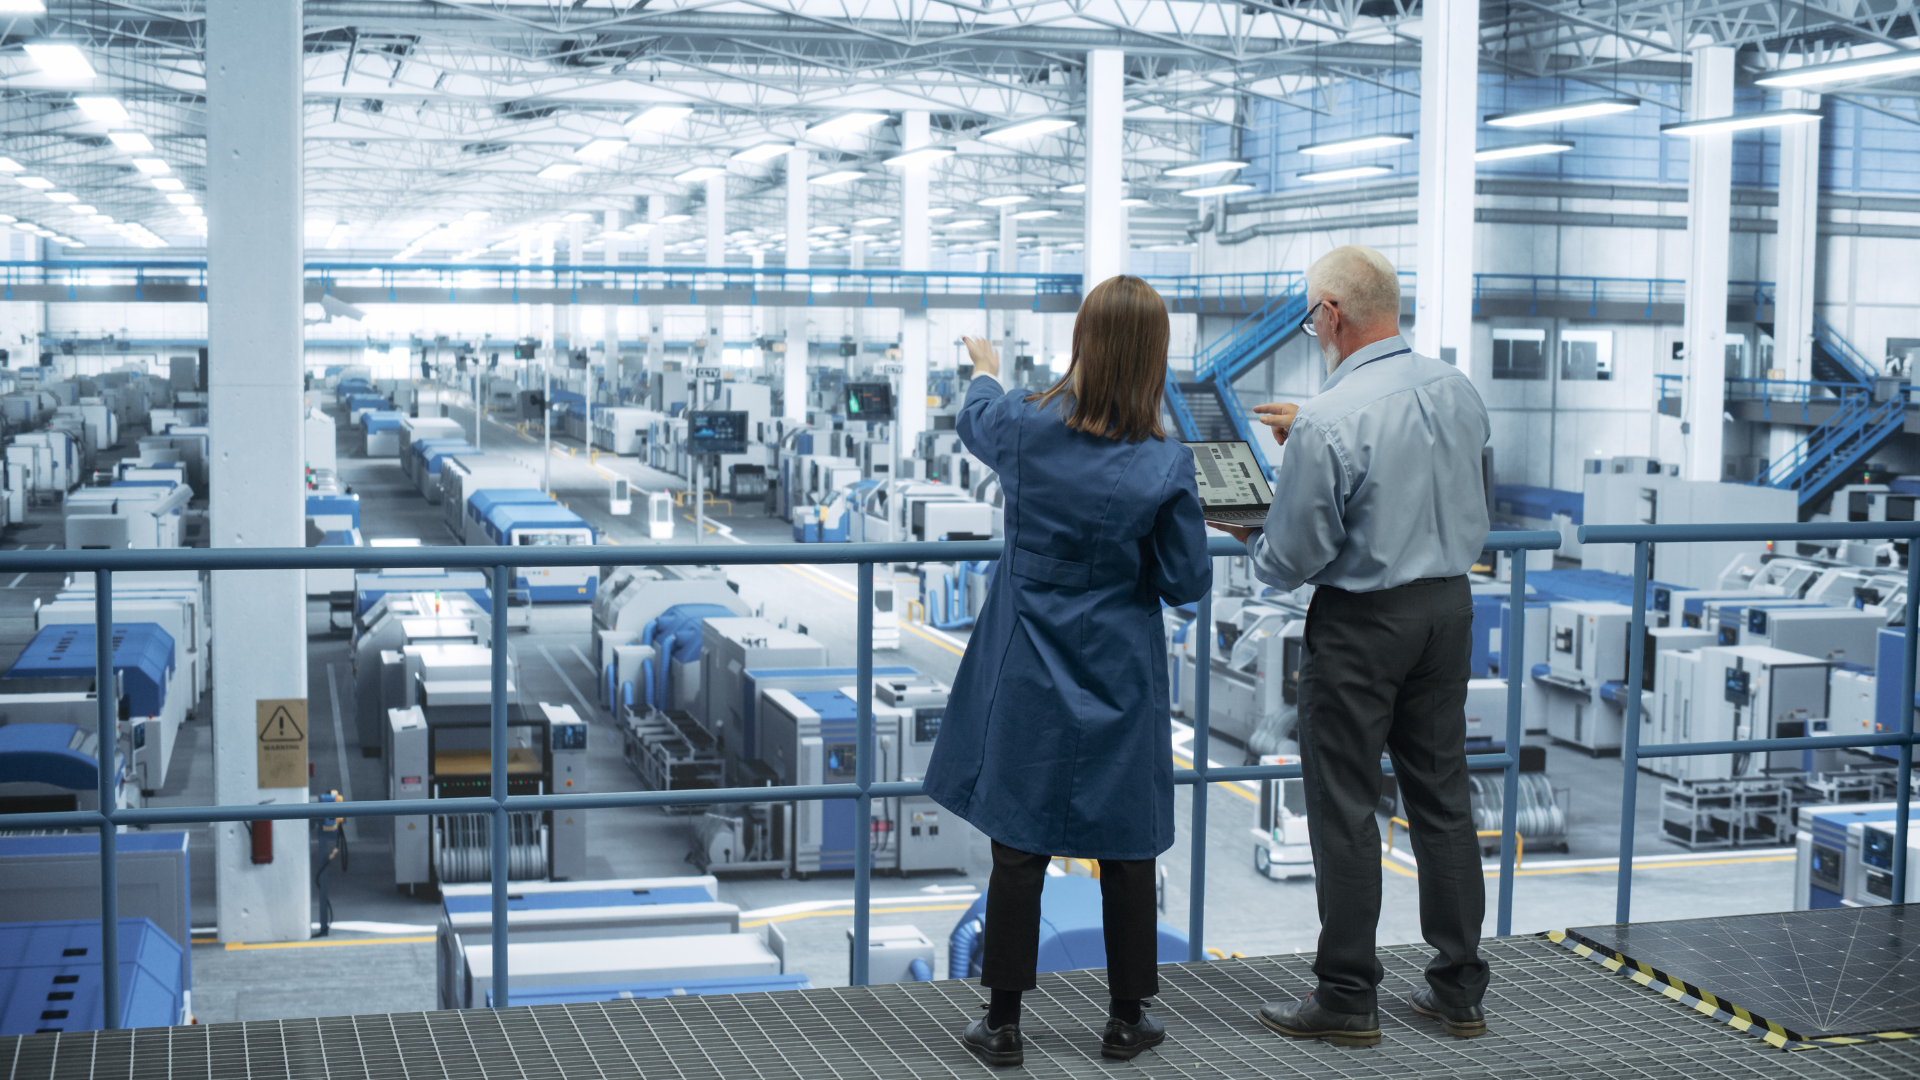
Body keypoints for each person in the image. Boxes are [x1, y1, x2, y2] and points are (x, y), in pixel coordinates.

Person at [922, 274, 1213, 1068]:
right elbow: (1186, 582)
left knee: (1019, 845)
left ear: (1082, 340)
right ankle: (1127, 1019)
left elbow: (977, 416)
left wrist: (984, 368)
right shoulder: (1165, 463)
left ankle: (1002, 1024)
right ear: (1154, 358)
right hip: (1118, 671)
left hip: (1029, 667)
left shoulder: (1024, 426)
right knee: (1127, 843)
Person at [1210, 245, 1492, 1048]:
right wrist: (1310, 433)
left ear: (1331, 315)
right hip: (1449, 609)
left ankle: (1345, 996)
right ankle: (1458, 990)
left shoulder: (1329, 419)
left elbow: (1293, 556)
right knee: (1442, 800)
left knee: (1344, 806)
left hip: (1364, 625)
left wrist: (1249, 532)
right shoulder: (1457, 388)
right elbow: (1446, 475)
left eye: (1311, 318)